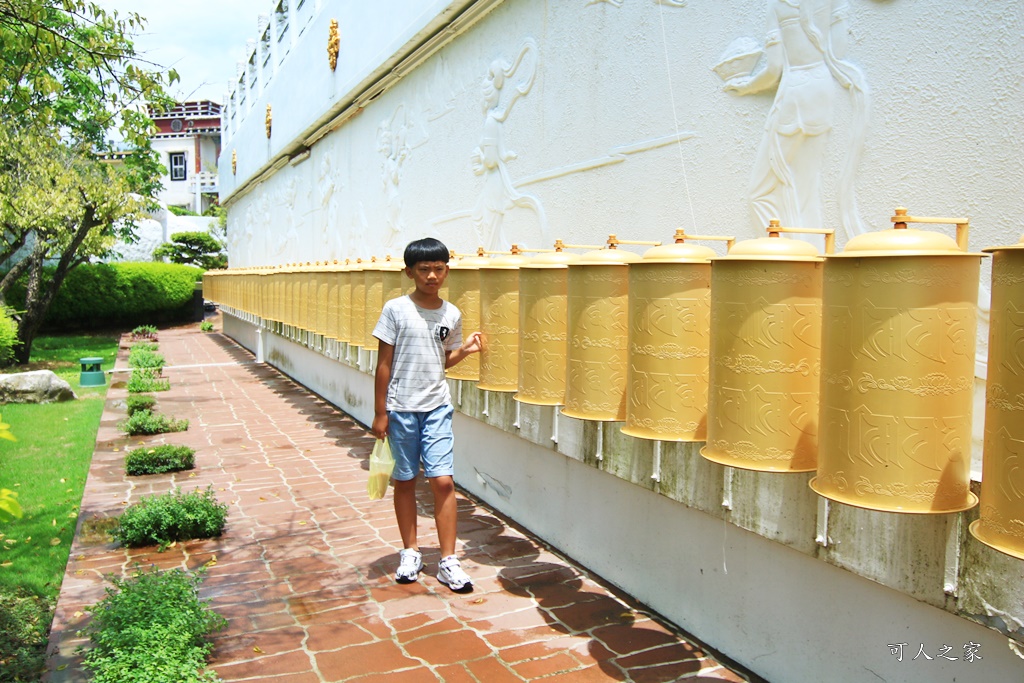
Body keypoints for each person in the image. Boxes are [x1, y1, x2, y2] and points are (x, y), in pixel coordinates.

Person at [371, 237, 483, 591]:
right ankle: (410, 552)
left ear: (447, 270)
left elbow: (443, 359)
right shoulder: (395, 309)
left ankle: (449, 560)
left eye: (438, 268)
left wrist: (464, 350)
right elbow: (384, 364)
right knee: (404, 480)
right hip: (401, 408)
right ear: (409, 272)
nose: (432, 276)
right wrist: (380, 413)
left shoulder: (452, 314)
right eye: (424, 269)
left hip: (437, 406)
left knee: (443, 481)